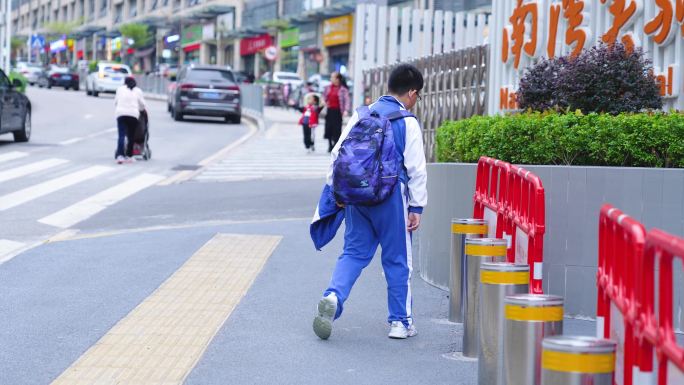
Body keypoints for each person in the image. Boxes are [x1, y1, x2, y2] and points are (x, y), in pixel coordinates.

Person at [311, 64, 427, 340]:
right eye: (417, 95)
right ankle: (400, 322)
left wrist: (336, 194)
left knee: (353, 253)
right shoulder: (407, 121)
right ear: (412, 92)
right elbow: (417, 169)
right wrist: (417, 206)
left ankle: (334, 297)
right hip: (391, 198)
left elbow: (338, 155)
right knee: (397, 259)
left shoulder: (362, 115)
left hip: (357, 197)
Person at [114, 77, 147, 164]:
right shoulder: (138, 91)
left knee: (121, 135)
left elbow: (116, 102)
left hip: (120, 114)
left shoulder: (119, 89)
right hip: (133, 115)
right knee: (131, 136)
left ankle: (120, 156)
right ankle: (129, 156)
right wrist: (141, 110)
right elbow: (142, 105)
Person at [323, 72, 351, 152]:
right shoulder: (327, 88)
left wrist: (346, 110)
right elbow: (323, 97)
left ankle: (335, 144)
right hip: (329, 111)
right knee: (328, 128)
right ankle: (329, 145)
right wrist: (324, 102)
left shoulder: (343, 89)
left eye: (333, 77)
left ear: (337, 79)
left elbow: (347, 100)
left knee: (337, 129)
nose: (331, 79)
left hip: (338, 112)